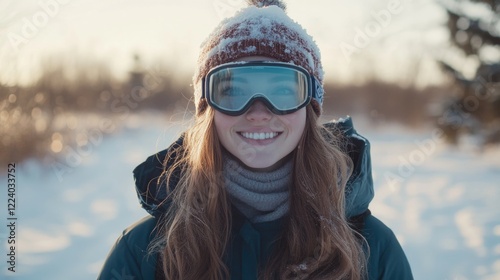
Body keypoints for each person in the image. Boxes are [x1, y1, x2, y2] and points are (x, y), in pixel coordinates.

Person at [98, 0, 413, 279]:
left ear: (310, 108)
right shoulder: (145, 253)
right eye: (234, 90)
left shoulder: (371, 251)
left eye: (282, 89)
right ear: (208, 109)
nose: (259, 112)